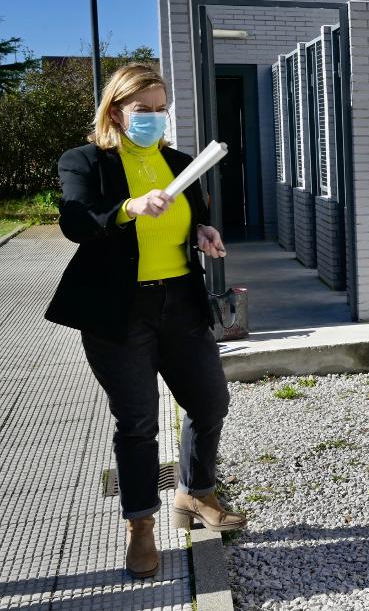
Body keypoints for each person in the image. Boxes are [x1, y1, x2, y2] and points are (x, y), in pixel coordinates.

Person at [44, 64, 245, 580]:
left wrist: (203, 230)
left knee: (210, 402)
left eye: (160, 109)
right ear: (116, 112)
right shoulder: (85, 161)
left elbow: (188, 219)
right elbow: (76, 223)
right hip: (119, 311)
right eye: (143, 111)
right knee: (137, 423)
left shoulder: (181, 163)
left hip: (180, 303)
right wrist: (130, 207)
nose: (155, 119)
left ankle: (194, 494)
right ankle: (140, 526)